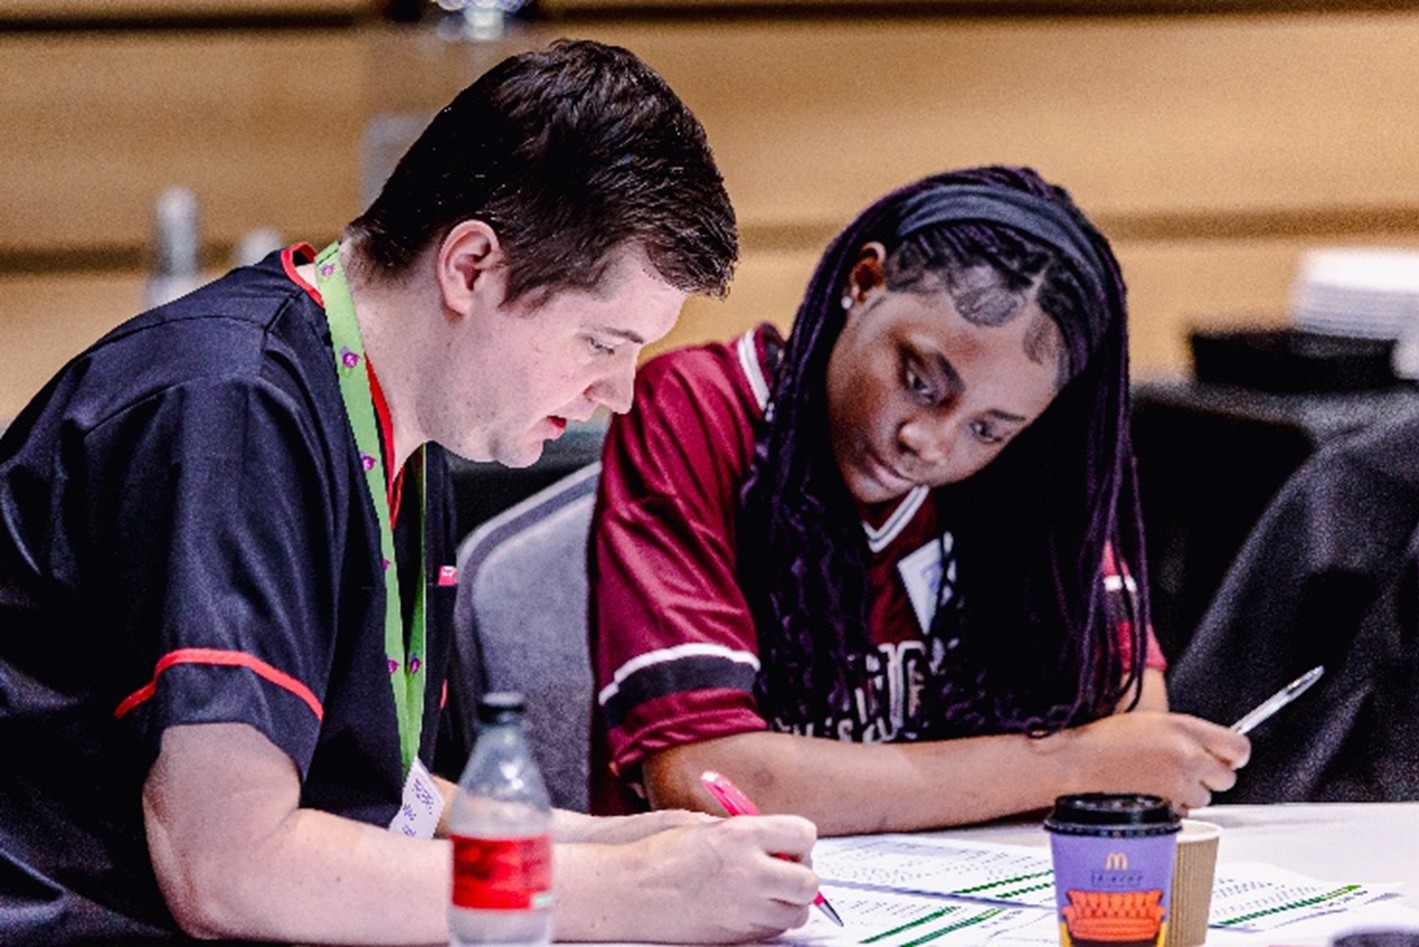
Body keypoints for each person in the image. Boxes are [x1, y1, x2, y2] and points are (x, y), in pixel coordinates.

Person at [0, 40, 818, 946]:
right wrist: (627, 890)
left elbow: (375, 797)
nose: (619, 394)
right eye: (601, 343)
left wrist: (618, 844)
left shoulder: (395, 418)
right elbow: (230, 866)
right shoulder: (233, 410)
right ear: (470, 266)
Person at [589, 165, 1252, 835]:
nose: (929, 444)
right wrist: (1070, 763)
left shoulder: (1027, 473)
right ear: (864, 282)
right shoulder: (697, 407)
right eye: (920, 382)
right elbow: (706, 778)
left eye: (987, 429)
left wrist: (1097, 760)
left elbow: (1133, 728)